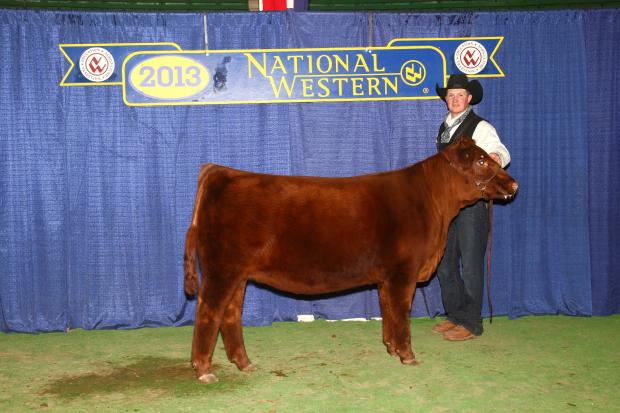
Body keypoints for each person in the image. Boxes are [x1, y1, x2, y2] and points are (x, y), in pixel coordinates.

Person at [432, 74, 511, 341]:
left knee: (472, 263)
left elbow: (500, 151)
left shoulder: (480, 127)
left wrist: (495, 158)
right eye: (450, 95)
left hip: (470, 207)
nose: (455, 99)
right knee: (445, 263)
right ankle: (455, 314)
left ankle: (472, 322)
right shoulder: (444, 127)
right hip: (447, 205)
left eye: (460, 95)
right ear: (446, 99)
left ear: (469, 99)